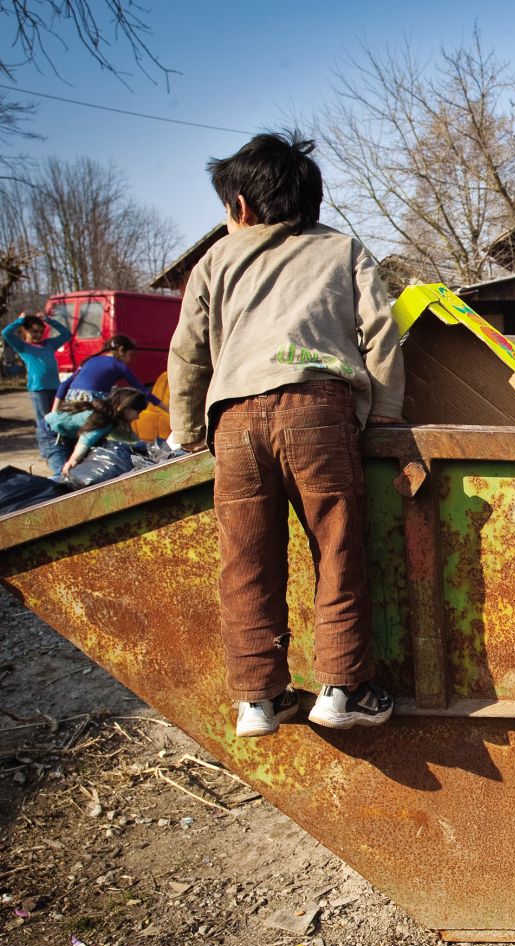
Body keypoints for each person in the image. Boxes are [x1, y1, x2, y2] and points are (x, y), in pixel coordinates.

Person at [168, 131, 405, 740]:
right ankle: (343, 688)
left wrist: (185, 431)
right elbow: (380, 332)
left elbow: (188, 352)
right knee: (337, 547)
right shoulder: (342, 249)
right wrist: (384, 414)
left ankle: (259, 697)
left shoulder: (216, 260)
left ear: (241, 207)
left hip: (235, 420)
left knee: (246, 561)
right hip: (317, 410)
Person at [1, 312, 74, 474]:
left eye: (41, 331)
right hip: (38, 389)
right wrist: (20, 320)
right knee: (44, 422)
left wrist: (49, 320)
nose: (38, 335)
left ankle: (61, 446)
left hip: (55, 387)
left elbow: (67, 334)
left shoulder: (49, 344)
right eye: (34, 331)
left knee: (58, 418)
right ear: (25, 331)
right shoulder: (23, 347)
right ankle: (48, 450)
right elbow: (5, 333)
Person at [47, 386, 147, 476]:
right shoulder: (103, 419)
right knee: (64, 472)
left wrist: (143, 446)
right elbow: (86, 439)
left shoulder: (111, 415)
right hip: (53, 432)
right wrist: (74, 459)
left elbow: (126, 437)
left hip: (69, 434)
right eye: (138, 412)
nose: (137, 417)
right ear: (126, 408)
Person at [54, 334, 159, 409]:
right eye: (130, 355)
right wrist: (165, 408)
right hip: (92, 400)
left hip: (72, 399)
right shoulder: (119, 366)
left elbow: (64, 385)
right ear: (121, 350)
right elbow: (141, 390)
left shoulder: (90, 360)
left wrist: (54, 413)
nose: (130, 361)